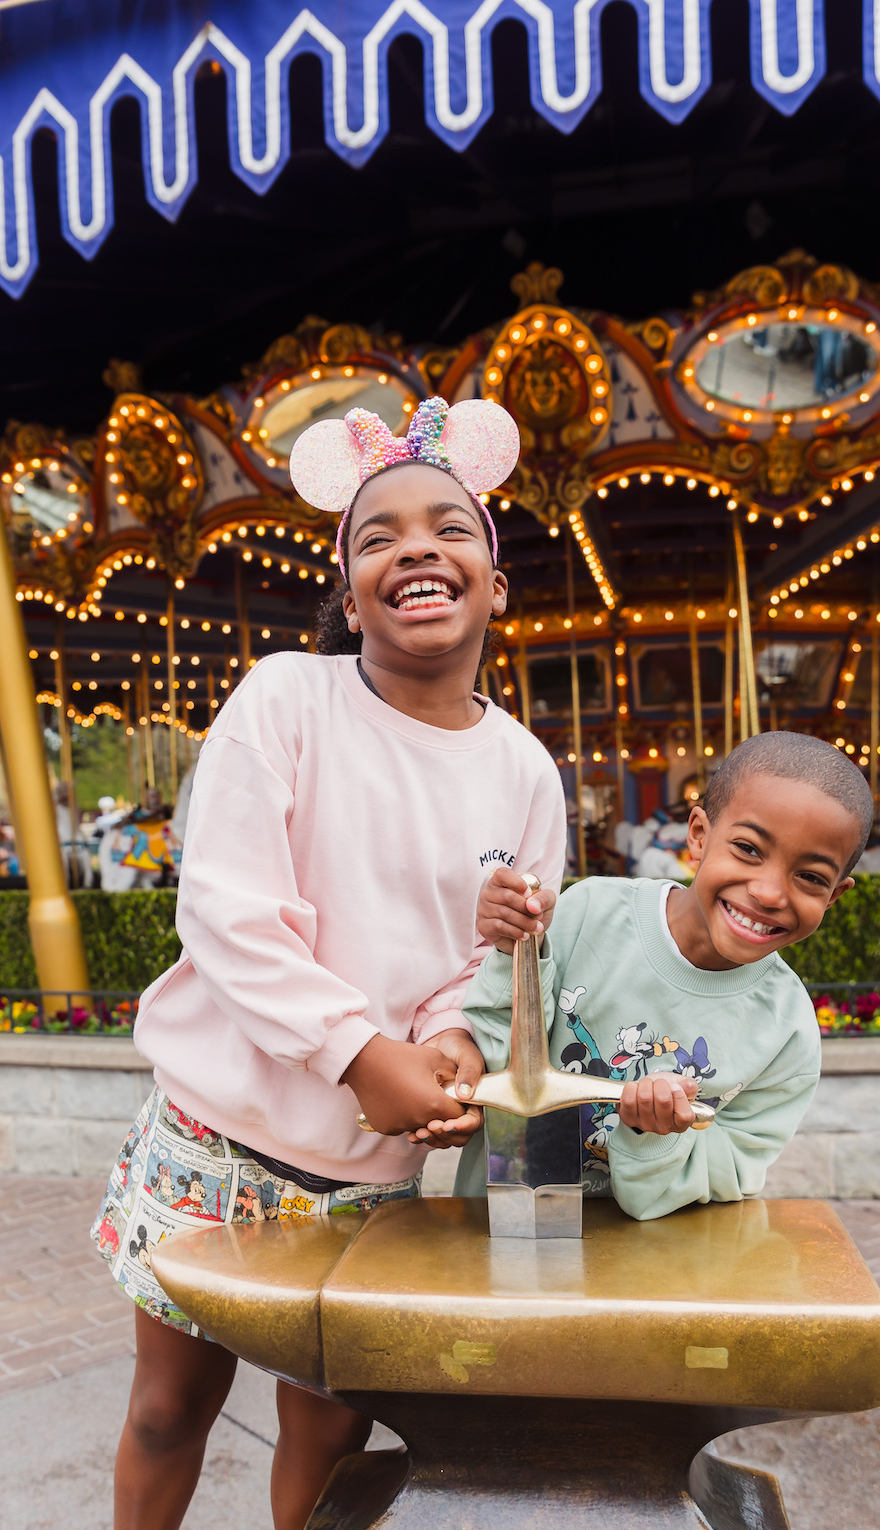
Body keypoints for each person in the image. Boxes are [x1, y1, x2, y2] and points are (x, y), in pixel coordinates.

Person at [91, 396, 567, 1530]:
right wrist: (358, 1052)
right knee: (169, 1407)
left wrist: (451, 1040)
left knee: (331, 1425)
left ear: (495, 584)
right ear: (350, 590)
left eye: (450, 528)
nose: (415, 546)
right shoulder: (286, 701)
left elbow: (494, 960)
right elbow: (227, 911)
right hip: (216, 1132)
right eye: (377, 535)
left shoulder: (525, 773)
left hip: (369, 1170)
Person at [439, 732, 873, 1219]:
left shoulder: (787, 1034)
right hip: (499, 1231)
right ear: (699, 835)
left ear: (834, 896)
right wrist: (515, 950)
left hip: (648, 1269)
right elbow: (497, 1057)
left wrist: (651, 1137)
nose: (770, 893)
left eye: (811, 877)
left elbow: (726, 1173)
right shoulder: (589, 913)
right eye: (749, 849)